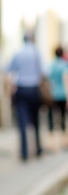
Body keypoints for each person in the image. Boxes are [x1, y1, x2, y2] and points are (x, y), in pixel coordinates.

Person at [6, 33, 44, 161]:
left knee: (22, 122)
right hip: (33, 89)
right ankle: (38, 147)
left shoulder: (18, 53)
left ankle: (24, 152)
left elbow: (9, 70)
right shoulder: (36, 52)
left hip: (21, 89)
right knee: (36, 120)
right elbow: (43, 71)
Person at [47, 46, 68, 150]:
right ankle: (65, 141)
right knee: (63, 118)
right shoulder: (66, 66)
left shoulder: (51, 65)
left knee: (52, 118)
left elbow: (48, 81)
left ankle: (52, 142)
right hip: (63, 95)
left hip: (52, 94)